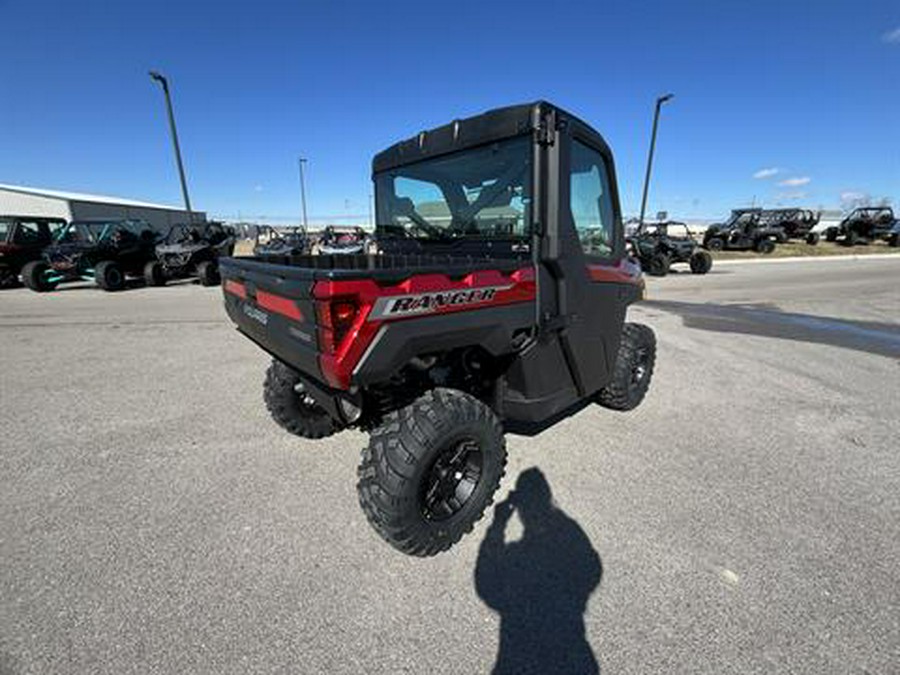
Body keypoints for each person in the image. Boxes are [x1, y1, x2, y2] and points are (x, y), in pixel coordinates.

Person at [475, 468, 602, 675]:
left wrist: (498, 524)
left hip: (517, 660)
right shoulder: (568, 549)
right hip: (574, 657)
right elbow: (592, 568)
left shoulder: (515, 557)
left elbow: (486, 583)